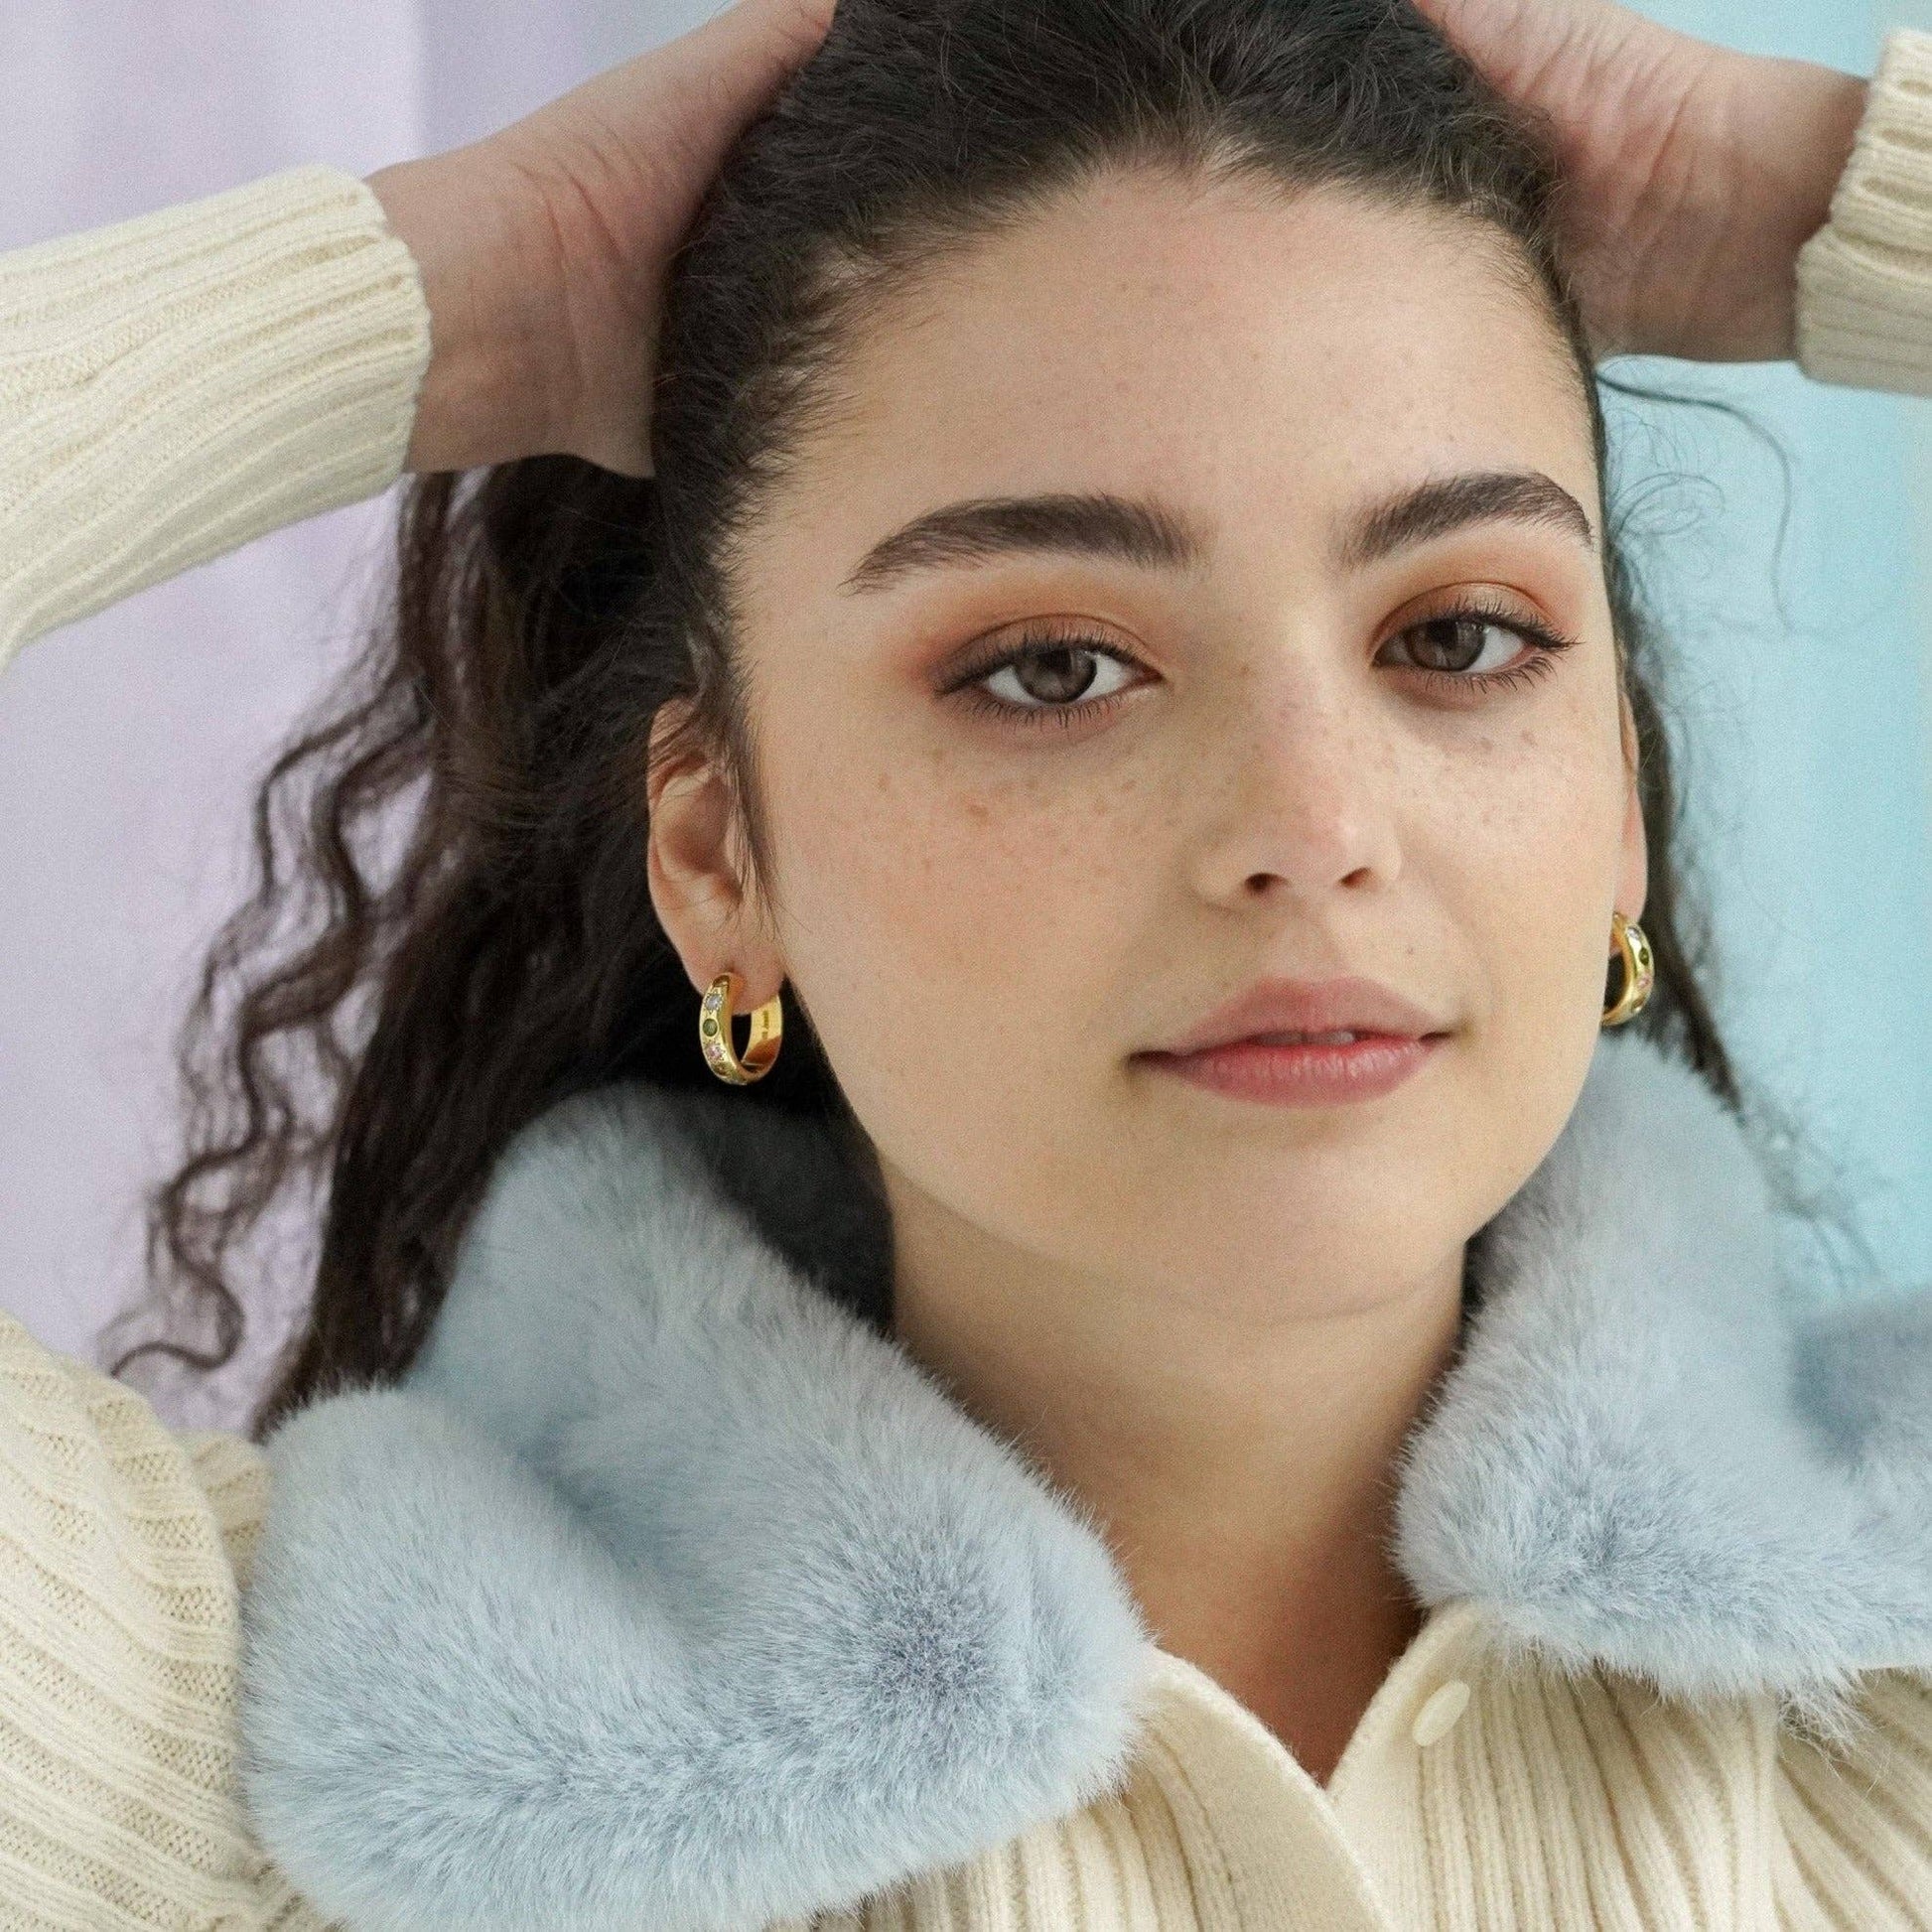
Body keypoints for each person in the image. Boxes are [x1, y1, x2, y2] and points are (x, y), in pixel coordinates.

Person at [2, 0, 1930, 1924]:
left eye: (1457, 637)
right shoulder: (270, 1787)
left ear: (1616, 807)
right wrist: (463, 307)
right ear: (716, 851)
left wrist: (1787, 200)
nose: (1316, 823)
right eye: (1050, 668)